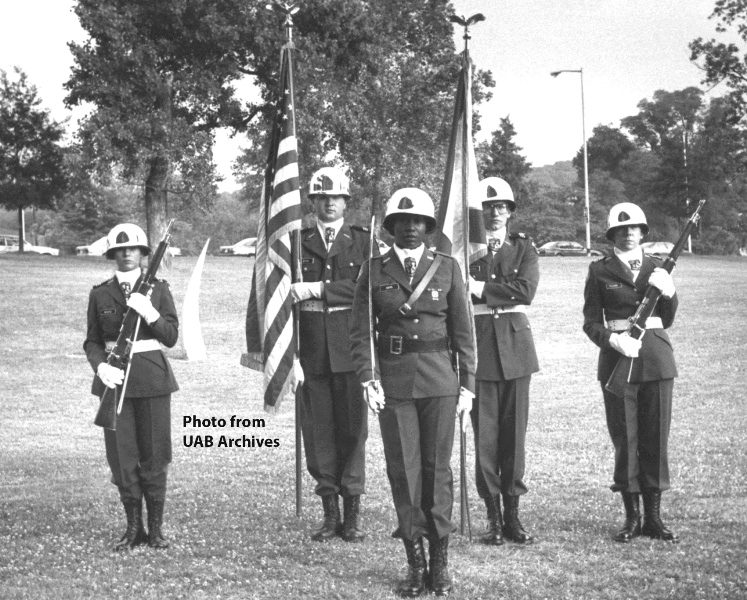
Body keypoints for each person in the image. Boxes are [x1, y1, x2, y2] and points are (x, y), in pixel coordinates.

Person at [351, 188, 475, 597]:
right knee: (403, 472)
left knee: (437, 471)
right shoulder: (373, 269)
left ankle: (440, 565)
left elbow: (463, 332)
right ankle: (415, 564)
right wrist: (369, 377)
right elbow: (360, 331)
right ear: (390, 228)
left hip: (440, 382)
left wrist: (468, 386)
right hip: (395, 384)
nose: (409, 229)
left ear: (427, 228)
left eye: (417, 222)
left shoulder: (447, 268)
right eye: (402, 223)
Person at [582, 202, 679, 543]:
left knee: (655, 438)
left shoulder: (658, 267)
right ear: (611, 235)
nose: (628, 234)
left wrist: (669, 292)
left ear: (642, 232)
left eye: (634, 229)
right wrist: (612, 340)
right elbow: (591, 322)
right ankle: (632, 518)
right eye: (621, 230)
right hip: (618, 361)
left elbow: (666, 318)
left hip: (655, 358)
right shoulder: (600, 270)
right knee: (626, 440)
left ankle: (654, 517)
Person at [84, 223, 179, 550]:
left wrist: (150, 313)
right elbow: (93, 342)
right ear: (112, 254)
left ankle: (155, 531)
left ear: (142, 254)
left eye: (133, 249)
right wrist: (101, 368)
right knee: (122, 458)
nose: (126, 254)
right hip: (114, 380)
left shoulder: (159, 289)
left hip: (152, 381)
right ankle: (132, 529)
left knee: (155, 455)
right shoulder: (100, 293)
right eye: (119, 250)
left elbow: (170, 336)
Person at [290, 166, 371, 543]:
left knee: (354, 430)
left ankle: (352, 513)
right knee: (319, 431)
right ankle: (329, 512)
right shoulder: (295, 241)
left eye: (335, 197)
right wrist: (289, 356)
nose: (329, 204)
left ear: (346, 202)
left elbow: (365, 289)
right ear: (312, 203)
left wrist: (317, 289)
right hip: (310, 350)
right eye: (321, 198)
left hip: (350, 347)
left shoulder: (363, 242)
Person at [467, 177, 539, 546]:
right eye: (488, 206)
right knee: (486, 440)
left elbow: (526, 291)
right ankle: (492, 518)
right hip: (478, 350)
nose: (495, 212)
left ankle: (513, 516)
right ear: (478, 212)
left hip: (515, 350)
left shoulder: (523, 247)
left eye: (502, 207)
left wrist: (479, 289)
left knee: (514, 438)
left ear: (510, 212)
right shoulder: (464, 249)